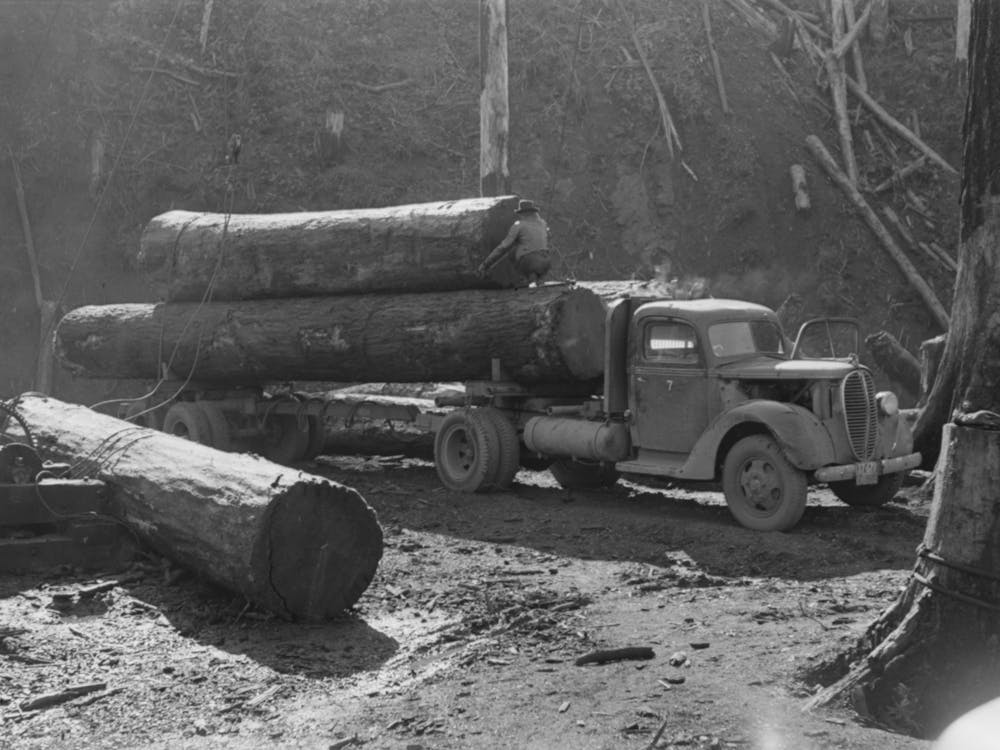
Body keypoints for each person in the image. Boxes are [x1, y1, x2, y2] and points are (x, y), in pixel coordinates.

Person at [477, 199, 551, 286]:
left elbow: (503, 247)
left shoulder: (518, 225)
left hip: (529, 262)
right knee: (530, 255)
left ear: (521, 213)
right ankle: (536, 279)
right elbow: (547, 237)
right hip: (546, 261)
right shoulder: (543, 223)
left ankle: (525, 279)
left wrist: (486, 264)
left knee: (512, 253)